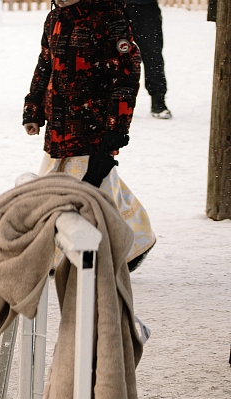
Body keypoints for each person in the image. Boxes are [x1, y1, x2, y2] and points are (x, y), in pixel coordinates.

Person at [23, 0, 155, 270]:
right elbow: (45, 64)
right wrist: (33, 108)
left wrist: (117, 128)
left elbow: (126, 77)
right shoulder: (55, 19)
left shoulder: (110, 18)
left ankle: (125, 247)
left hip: (93, 125)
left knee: (88, 190)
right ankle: (64, 255)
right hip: (59, 124)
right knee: (65, 187)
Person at [124, 0, 171, 119]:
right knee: (115, 55)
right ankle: (117, 102)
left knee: (152, 55)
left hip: (146, 7)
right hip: (116, 7)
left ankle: (158, 100)